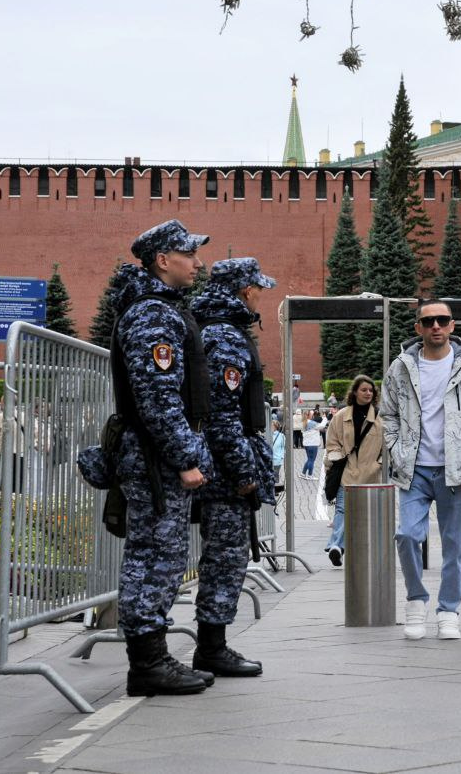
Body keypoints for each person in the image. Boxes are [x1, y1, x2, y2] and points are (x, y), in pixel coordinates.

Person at [112, 219, 215, 696]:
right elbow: (157, 397)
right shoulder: (152, 313)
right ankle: (148, 665)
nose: (198, 263)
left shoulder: (160, 308)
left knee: (162, 557)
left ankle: (152, 660)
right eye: (188, 254)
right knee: (154, 559)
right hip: (156, 459)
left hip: (158, 456)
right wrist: (184, 457)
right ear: (161, 260)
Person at [381, 300, 461, 641]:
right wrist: (397, 449)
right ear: (418, 328)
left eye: (442, 320)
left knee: (455, 546)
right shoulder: (401, 366)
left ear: (452, 325)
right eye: (429, 322)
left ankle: (448, 610)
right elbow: (388, 414)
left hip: (454, 469)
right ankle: (416, 601)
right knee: (407, 535)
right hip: (413, 469)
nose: (436, 327)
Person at [190, 257, 278, 678]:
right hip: (225, 472)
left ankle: (213, 644)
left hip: (219, 464)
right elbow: (224, 416)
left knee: (223, 556)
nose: (260, 294)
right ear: (244, 291)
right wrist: (245, 474)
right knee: (225, 558)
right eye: (257, 287)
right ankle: (212, 647)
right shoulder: (225, 337)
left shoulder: (218, 329)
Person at [323, 375, 384, 567]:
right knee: (342, 509)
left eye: (370, 390)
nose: (368, 393)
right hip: (347, 471)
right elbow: (331, 443)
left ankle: (353, 548)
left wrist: (379, 464)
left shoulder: (380, 417)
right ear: (355, 392)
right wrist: (337, 457)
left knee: (367, 515)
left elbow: (388, 445)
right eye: (364, 390)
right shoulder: (341, 416)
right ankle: (336, 546)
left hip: (371, 474)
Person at [300, 408, 325, 476]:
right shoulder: (311, 423)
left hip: (306, 444)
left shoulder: (304, 422)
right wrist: (324, 418)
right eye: (312, 414)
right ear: (309, 416)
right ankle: (310, 475)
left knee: (309, 459)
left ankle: (303, 473)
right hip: (313, 444)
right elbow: (322, 425)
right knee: (311, 460)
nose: (313, 415)